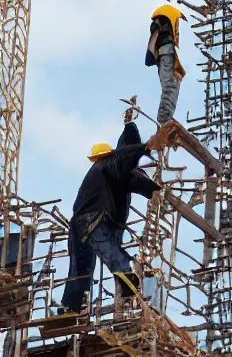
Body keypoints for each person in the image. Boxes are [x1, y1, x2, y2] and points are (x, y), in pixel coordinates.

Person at [60, 122, 172, 314]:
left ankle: (73, 306)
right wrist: (145, 148)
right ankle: (130, 283)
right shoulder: (110, 164)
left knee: (80, 268)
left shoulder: (103, 171)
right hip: (96, 220)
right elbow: (132, 171)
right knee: (112, 254)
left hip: (80, 223)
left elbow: (135, 179)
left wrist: (155, 190)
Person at [145, 4, 186, 125]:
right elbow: (152, 43)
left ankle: (165, 119)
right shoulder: (160, 24)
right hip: (166, 55)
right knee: (170, 87)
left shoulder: (161, 27)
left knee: (173, 85)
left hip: (167, 56)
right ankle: (163, 120)